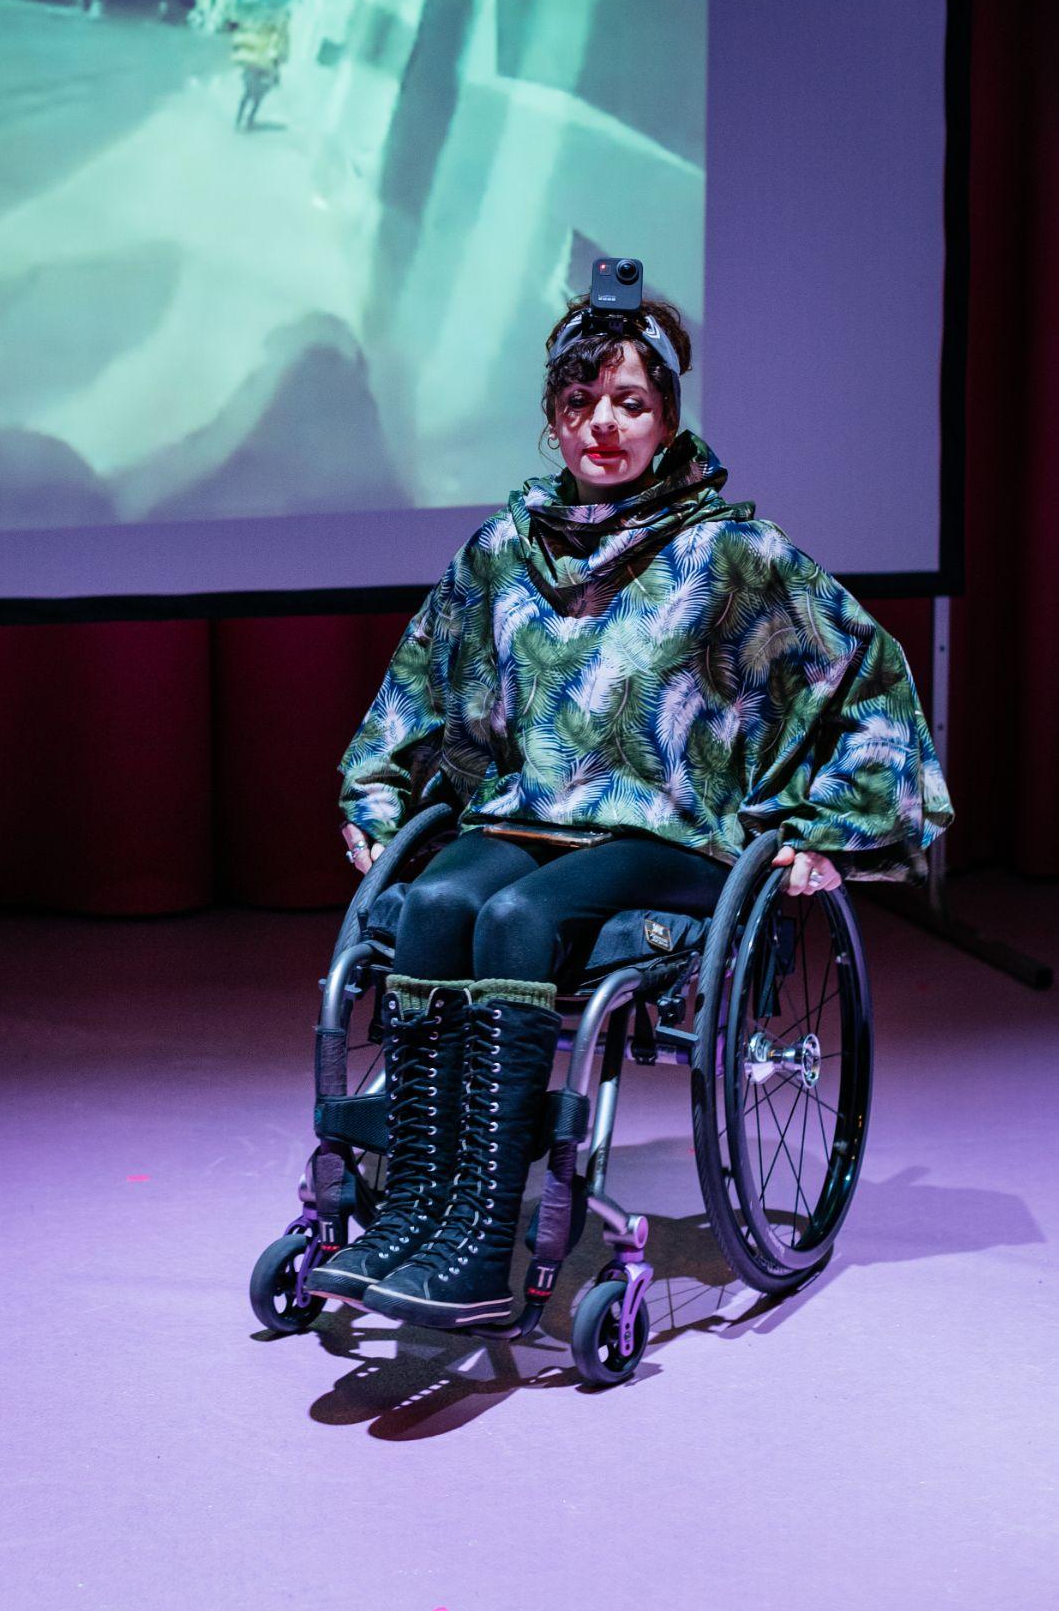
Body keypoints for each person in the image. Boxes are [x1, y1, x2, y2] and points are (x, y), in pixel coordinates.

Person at [308, 291, 954, 1329]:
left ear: (666, 416)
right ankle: (413, 1214)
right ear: (552, 418)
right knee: (431, 906)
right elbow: (422, 679)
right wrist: (375, 792)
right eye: (581, 400)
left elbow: (861, 670)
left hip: (671, 832)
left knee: (518, 923)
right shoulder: (505, 548)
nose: (603, 422)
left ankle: (481, 1240)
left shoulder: (728, 551)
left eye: (630, 401)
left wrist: (823, 825)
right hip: (530, 815)